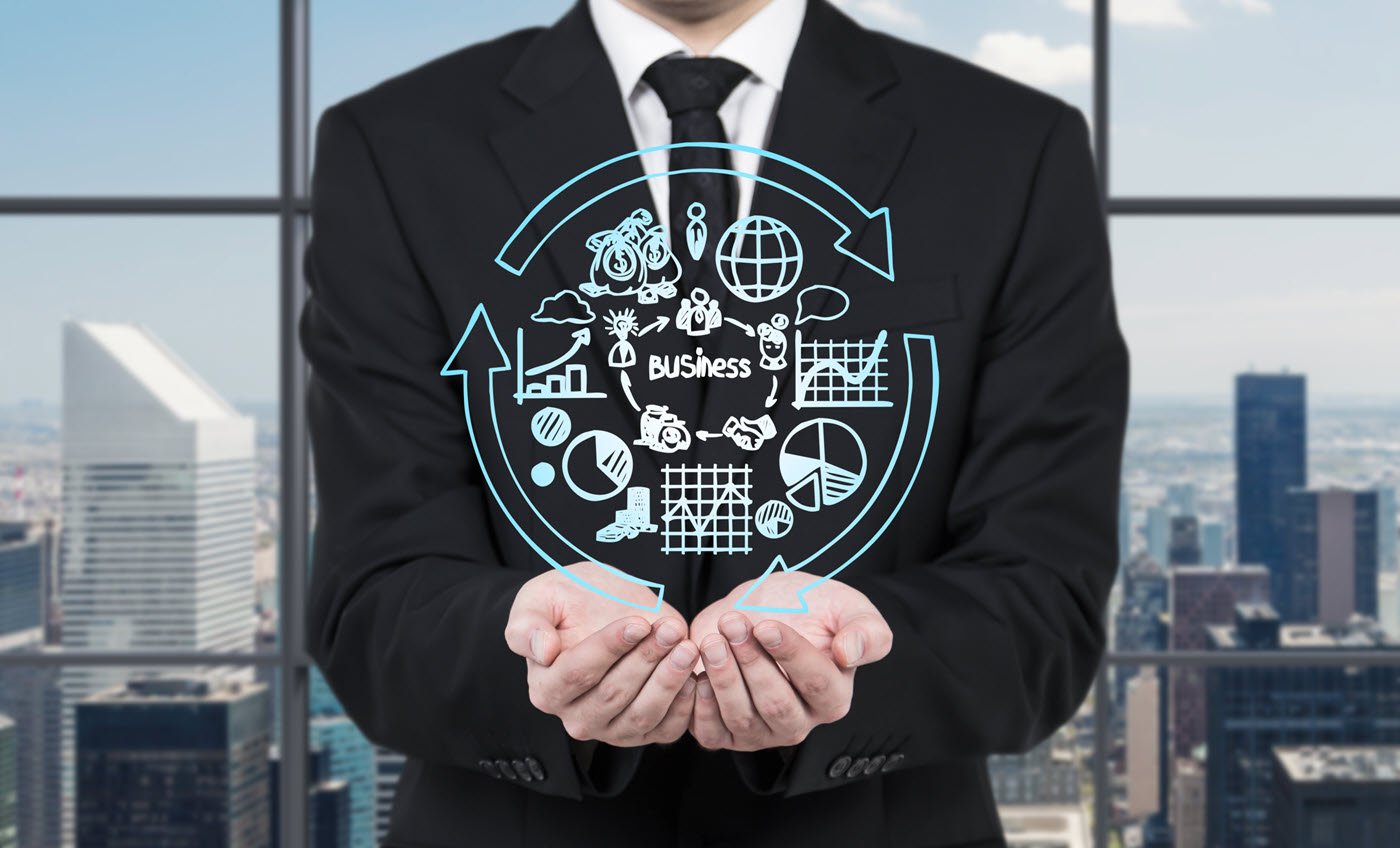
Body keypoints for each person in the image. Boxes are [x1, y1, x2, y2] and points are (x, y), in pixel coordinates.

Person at [300, 0, 1130, 846]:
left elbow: (1045, 600)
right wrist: (528, 647)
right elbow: (370, 599)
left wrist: (851, 660)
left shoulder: (1013, 145)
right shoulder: (395, 143)